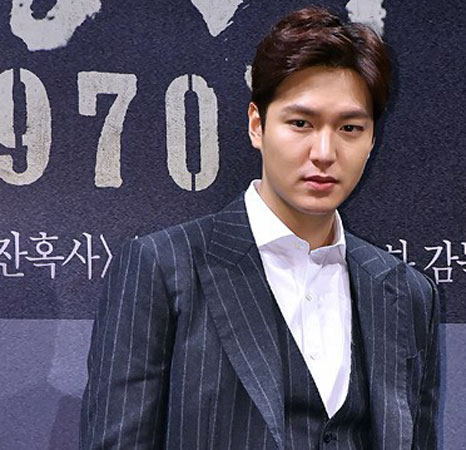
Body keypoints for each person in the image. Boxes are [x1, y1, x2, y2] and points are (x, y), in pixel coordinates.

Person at [79, 6, 440, 450]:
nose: (324, 152)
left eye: (349, 127)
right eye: (301, 123)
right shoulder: (163, 267)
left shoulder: (408, 294)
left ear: (371, 140)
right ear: (257, 125)